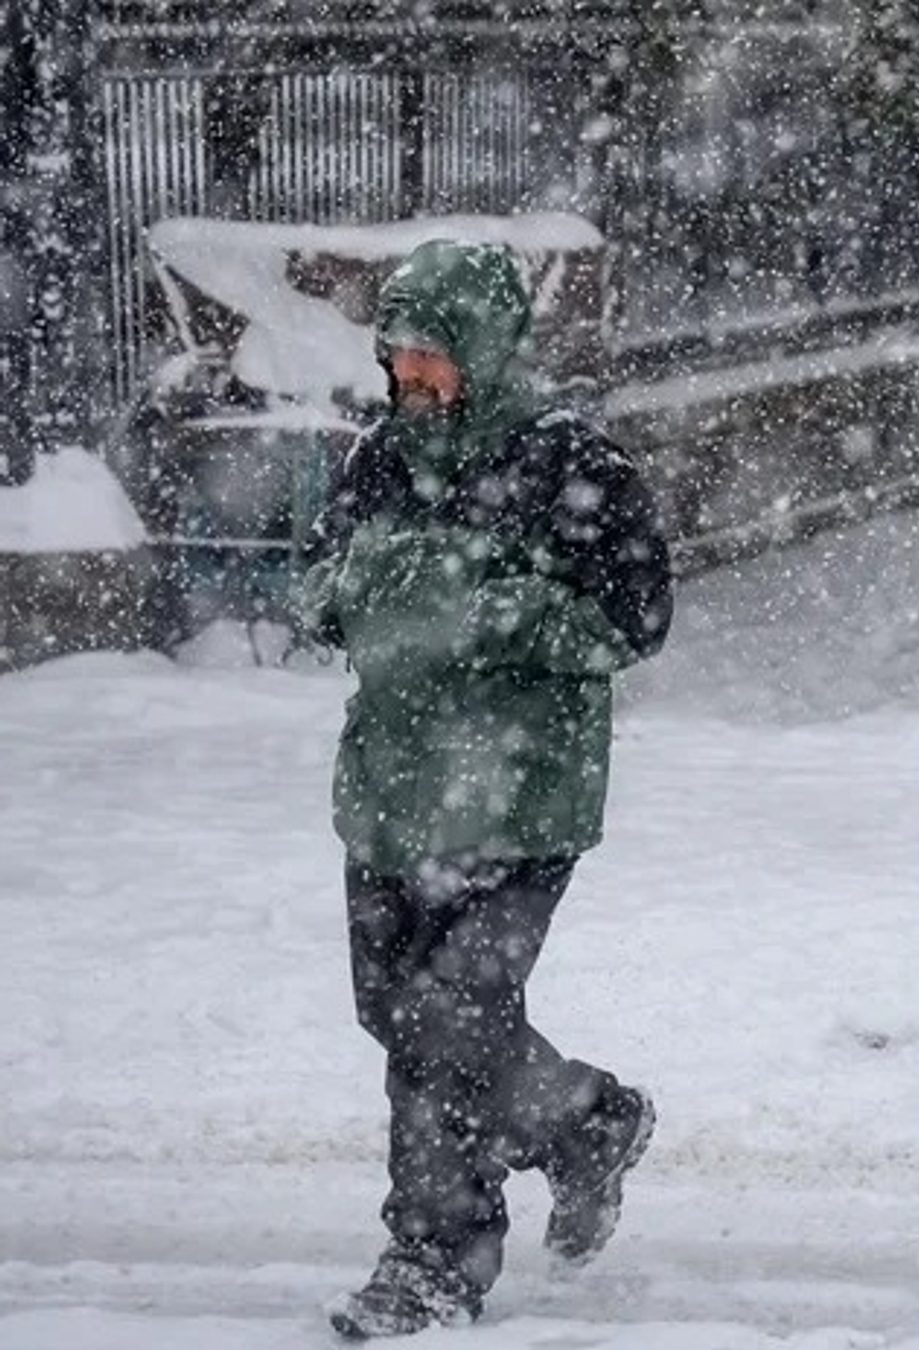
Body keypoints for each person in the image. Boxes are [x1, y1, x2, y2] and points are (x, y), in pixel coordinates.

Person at [294, 239, 674, 1339]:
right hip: (391, 790)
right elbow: (314, 589)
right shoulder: (378, 457)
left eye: (433, 352)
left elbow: (634, 622)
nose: (410, 373)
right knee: (396, 1011)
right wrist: (362, 592)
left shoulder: (571, 461)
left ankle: (434, 1259)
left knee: (445, 1019)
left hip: (519, 797)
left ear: (488, 347)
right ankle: (586, 1124)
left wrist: (493, 608)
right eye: (397, 351)